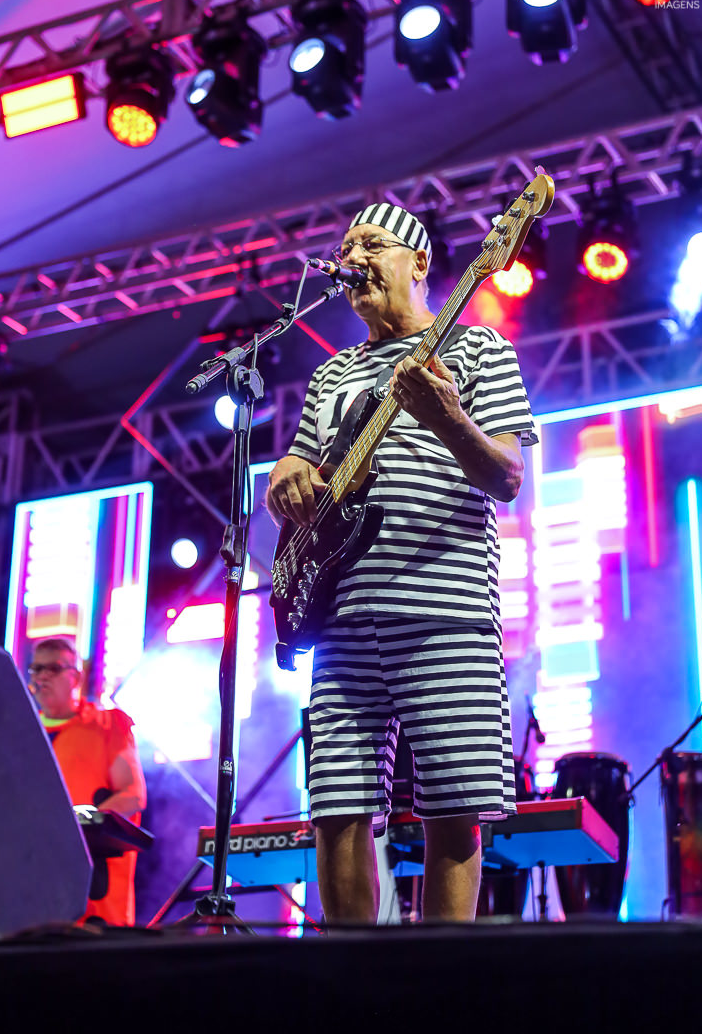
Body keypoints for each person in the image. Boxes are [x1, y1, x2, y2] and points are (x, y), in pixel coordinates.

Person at [267, 202, 537, 923]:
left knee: (453, 807)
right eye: (345, 248)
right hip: (341, 617)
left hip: (445, 611)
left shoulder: (478, 350)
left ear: (419, 262)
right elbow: (302, 480)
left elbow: (508, 476)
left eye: (371, 244)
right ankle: (353, 978)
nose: (352, 258)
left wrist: (447, 417)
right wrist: (286, 475)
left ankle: (440, 980)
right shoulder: (332, 375)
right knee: (336, 809)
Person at [27, 637, 147, 925]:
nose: (43, 676)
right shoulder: (19, 733)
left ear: (76, 677)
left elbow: (133, 795)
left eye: (54, 668)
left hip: (95, 900)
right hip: (30, 892)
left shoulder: (108, 724)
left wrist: (75, 826)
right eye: (37, 669)